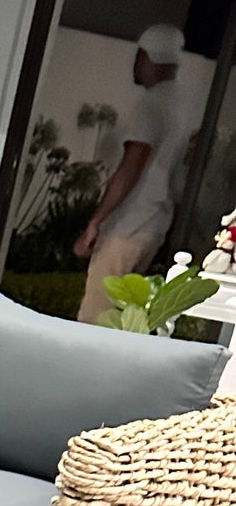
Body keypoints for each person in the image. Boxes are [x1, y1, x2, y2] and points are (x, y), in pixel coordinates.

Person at [73, 22, 208, 323]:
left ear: (147, 57)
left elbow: (132, 164)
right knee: (128, 318)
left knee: (96, 317)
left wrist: (96, 221)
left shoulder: (153, 102)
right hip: (156, 225)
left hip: (128, 224)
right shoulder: (190, 102)